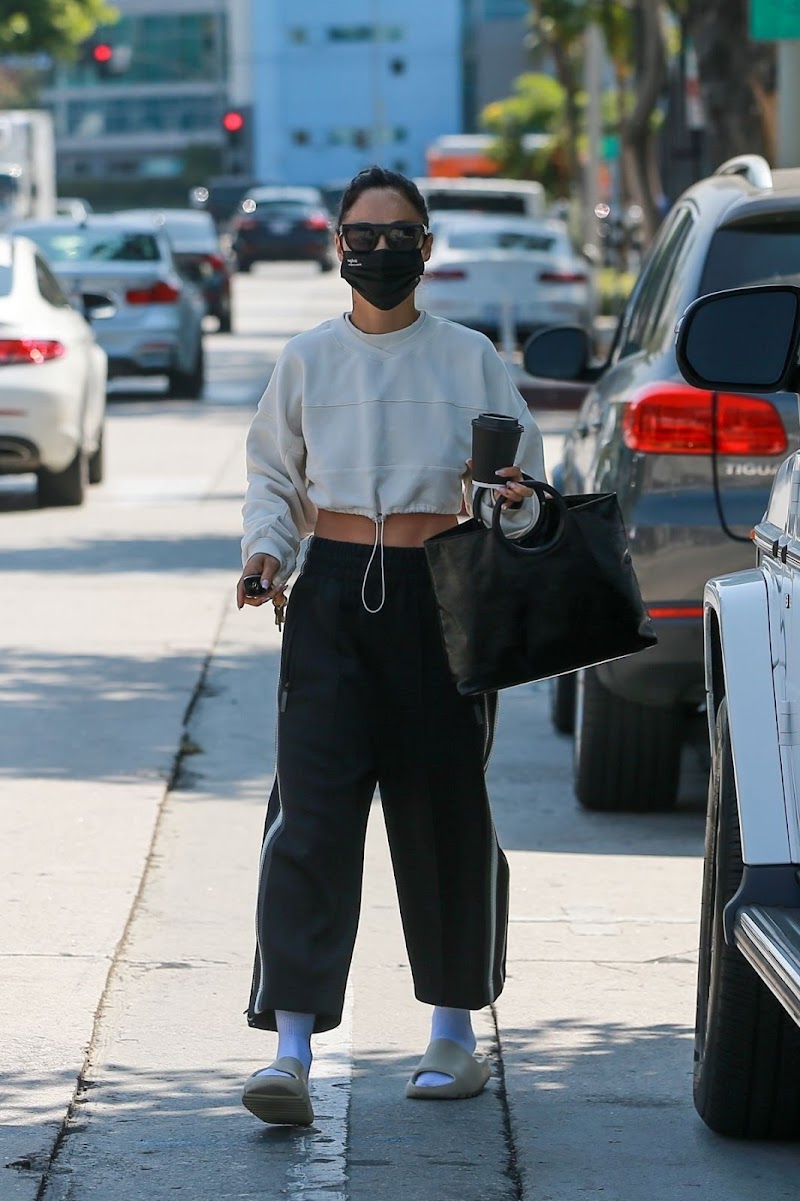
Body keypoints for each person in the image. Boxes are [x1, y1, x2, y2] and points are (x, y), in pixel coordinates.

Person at [236, 166, 546, 1127]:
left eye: (398, 234)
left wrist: (515, 499)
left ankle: (454, 1035)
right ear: (338, 246)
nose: (380, 252)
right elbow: (274, 482)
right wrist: (265, 554)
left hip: (439, 595)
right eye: (363, 236)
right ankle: (292, 1050)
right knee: (311, 818)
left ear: (427, 244)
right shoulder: (306, 360)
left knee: (444, 813)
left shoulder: (469, 358)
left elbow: (527, 475)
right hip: (328, 595)